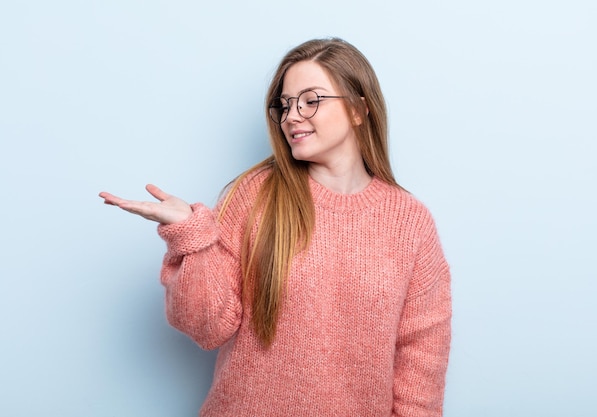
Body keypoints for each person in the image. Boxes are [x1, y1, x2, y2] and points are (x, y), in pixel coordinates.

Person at [99, 37, 451, 417]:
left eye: (310, 100)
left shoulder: (410, 221)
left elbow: (422, 357)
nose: (292, 116)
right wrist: (191, 236)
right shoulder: (256, 194)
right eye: (284, 105)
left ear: (358, 109)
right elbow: (207, 327)